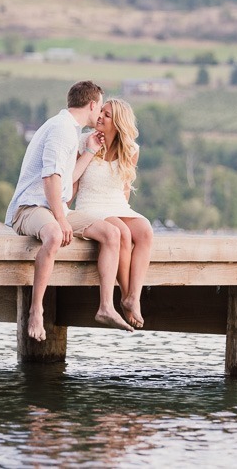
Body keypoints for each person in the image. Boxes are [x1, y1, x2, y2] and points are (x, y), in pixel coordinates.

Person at [5, 81, 134, 341]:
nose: (101, 116)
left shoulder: (70, 130)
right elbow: (50, 178)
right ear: (93, 104)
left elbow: (64, 180)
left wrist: (88, 152)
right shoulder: (60, 129)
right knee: (54, 234)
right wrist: (62, 219)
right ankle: (36, 311)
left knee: (111, 234)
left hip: (54, 206)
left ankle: (106, 306)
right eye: (101, 109)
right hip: (30, 207)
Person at [73, 98, 153, 329]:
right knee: (122, 233)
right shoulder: (84, 141)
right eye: (101, 112)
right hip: (90, 205)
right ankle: (126, 296)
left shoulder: (131, 150)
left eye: (106, 115)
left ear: (117, 123)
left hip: (116, 204)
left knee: (145, 230)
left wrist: (125, 214)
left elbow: (125, 189)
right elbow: (74, 182)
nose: (100, 116)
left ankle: (132, 297)